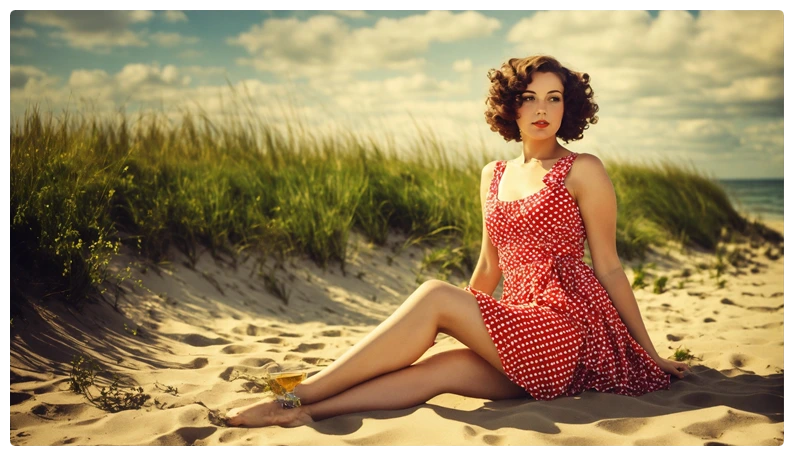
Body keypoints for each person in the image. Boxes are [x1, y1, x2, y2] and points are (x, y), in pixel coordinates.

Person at [223, 54, 691, 428]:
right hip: (521, 326)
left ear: (568, 107)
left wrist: (649, 354)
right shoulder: (493, 175)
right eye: (529, 98)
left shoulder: (583, 169)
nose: (542, 110)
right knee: (440, 369)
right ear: (510, 107)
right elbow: (489, 267)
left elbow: (608, 266)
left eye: (554, 99)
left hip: (566, 328)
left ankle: (297, 391)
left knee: (434, 294)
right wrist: (452, 328)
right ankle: (301, 412)